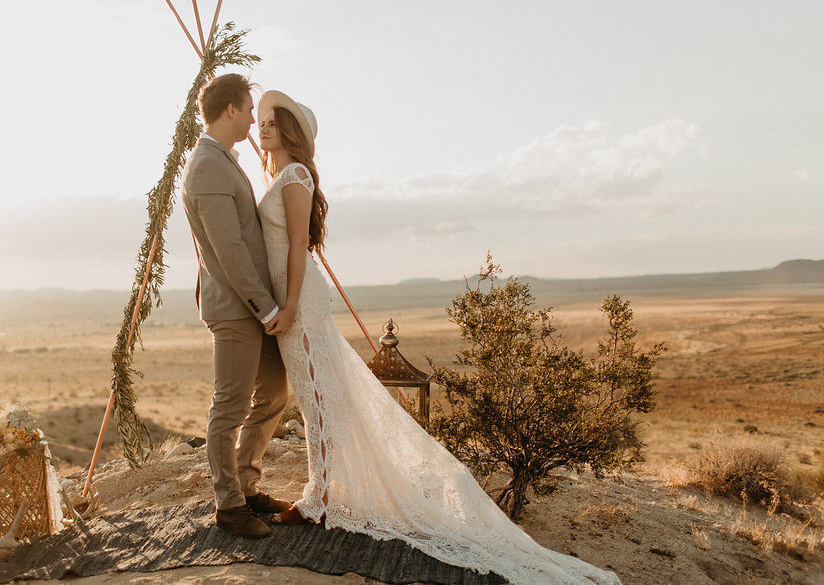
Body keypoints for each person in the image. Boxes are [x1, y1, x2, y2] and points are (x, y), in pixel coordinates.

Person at [254, 89, 622, 585]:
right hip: (290, 302)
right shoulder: (278, 176)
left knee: (320, 399)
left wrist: (292, 304)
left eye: (273, 121)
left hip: (301, 303)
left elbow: (298, 244)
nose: (264, 127)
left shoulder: (294, 176)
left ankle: (319, 497)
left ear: (292, 131)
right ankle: (322, 493)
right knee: (320, 399)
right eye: (261, 120)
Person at [179, 74, 293, 540]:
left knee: (275, 393)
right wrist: (267, 308)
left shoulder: (224, 160)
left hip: (253, 306)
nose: (253, 117)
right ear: (230, 110)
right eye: (248, 109)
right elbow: (229, 252)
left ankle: (246, 485)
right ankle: (229, 505)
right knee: (228, 408)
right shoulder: (205, 166)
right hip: (235, 307)